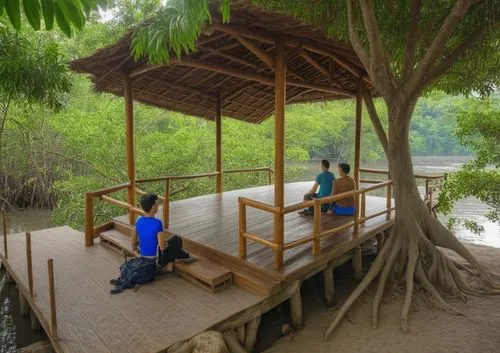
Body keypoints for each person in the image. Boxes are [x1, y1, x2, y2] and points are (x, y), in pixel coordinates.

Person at [131, 193, 195, 272]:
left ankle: (182, 256)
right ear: (153, 207)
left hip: (143, 256)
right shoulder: (157, 223)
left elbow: (133, 237)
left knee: (172, 244)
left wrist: (134, 248)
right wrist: (167, 244)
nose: (157, 205)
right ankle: (183, 257)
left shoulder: (139, 220)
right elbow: (162, 247)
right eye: (156, 203)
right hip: (156, 260)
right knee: (176, 239)